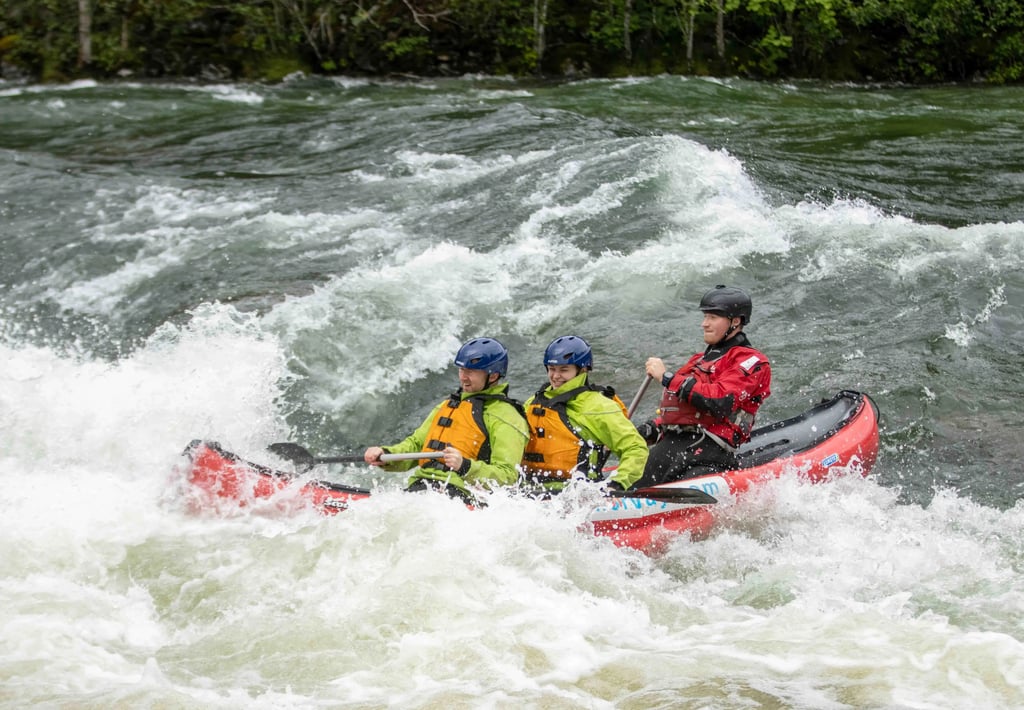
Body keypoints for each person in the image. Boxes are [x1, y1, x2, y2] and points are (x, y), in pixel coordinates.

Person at [633, 285, 771, 487]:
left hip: (709, 452)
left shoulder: (752, 361)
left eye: (713, 318)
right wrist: (651, 428)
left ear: (735, 321)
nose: (704, 324)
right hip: (675, 446)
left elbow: (720, 400)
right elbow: (683, 410)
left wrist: (668, 377)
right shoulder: (698, 360)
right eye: (705, 317)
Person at [363, 337, 529, 500]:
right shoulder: (448, 406)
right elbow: (415, 445)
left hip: (462, 495)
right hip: (422, 486)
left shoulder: (508, 417)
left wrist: (465, 466)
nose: (463, 377)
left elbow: (507, 476)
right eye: (461, 370)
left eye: (470, 372)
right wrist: (386, 454)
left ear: (492, 376)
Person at [520, 335, 649, 493]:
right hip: (529, 492)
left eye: (564, 370)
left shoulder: (598, 407)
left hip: (577, 494)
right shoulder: (533, 402)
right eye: (552, 369)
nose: (555, 376)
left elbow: (635, 448)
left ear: (582, 370)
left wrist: (618, 484)